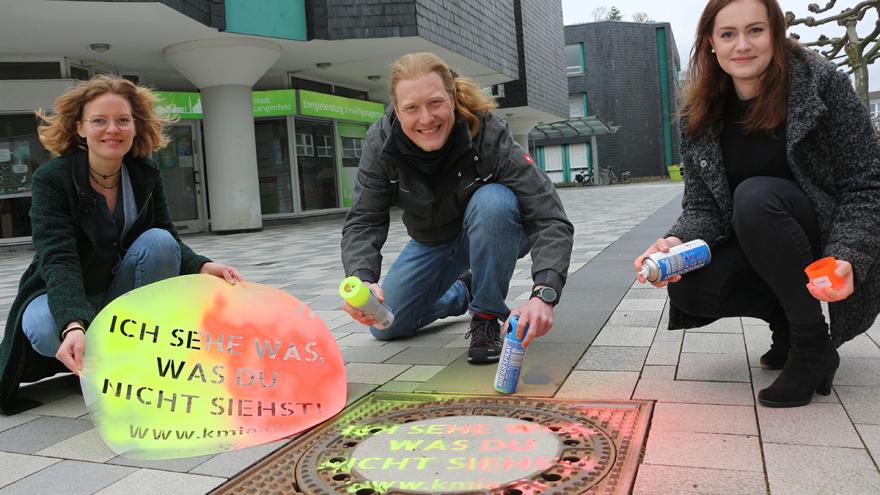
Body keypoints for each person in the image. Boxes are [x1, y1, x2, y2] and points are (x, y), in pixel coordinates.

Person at [634, 0, 880, 408]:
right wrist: (673, 242)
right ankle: (788, 323)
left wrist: (849, 256)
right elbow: (703, 206)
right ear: (711, 43)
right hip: (762, 240)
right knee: (691, 288)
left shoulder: (820, 84)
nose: (742, 45)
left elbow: (866, 183)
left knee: (756, 197)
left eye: (755, 31)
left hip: (825, 240)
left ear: (776, 34)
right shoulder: (701, 111)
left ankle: (810, 346)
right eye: (728, 34)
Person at [0, 75, 243, 413]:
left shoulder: (144, 173)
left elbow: (166, 234)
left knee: (157, 243)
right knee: (43, 328)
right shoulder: (52, 179)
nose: (111, 129)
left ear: (134, 126)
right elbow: (58, 257)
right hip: (67, 288)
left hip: (118, 289)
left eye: (122, 120)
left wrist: (203, 265)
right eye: (99, 120)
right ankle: (102, 356)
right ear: (80, 128)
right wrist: (72, 323)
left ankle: (127, 359)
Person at [341, 52, 574, 363]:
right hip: (432, 240)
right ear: (397, 110)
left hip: (494, 229)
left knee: (494, 200)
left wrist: (545, 292)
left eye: (435, 102)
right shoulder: (380, 142)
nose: (426, 119)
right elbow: (363, 220)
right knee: (386, 325)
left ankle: (487, 317)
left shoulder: (488, 131)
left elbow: (548, 216)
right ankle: (463, 292)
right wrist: (362, 277)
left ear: (451, 98)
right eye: (412, 108)